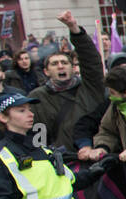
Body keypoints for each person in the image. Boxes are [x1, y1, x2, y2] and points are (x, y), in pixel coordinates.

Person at [28, 12, 105, 151]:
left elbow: (91, 61)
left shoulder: (89, 88)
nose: (60, 66)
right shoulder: (37, 98)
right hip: (60, 161)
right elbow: (34, 133)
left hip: (94, 155)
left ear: (73, 67)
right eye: (54, 64)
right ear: (46, 71)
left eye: (64, 62)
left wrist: (75, 30)